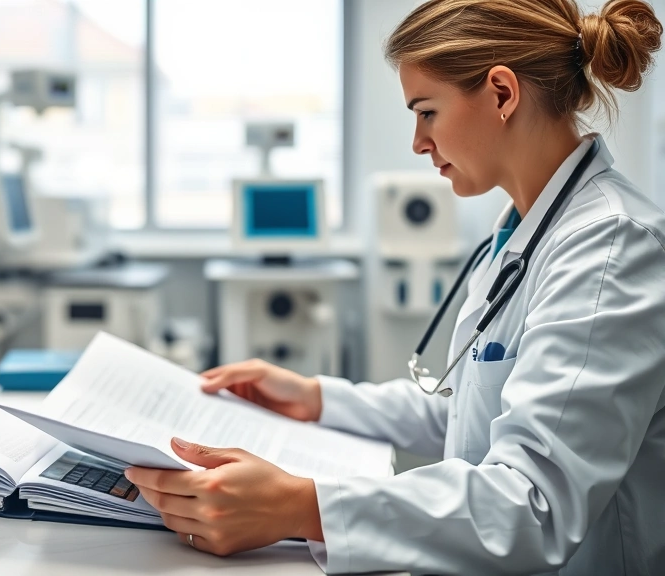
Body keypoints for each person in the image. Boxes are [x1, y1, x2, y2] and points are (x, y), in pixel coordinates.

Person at [122, 0, 665, 573]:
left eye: (427, 112)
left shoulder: (609, 246)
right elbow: (470, 416)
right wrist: (316, 399)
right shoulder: (521, 232)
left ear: (503, 94)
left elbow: (535, 505)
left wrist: (302, 507)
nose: (417, 141)